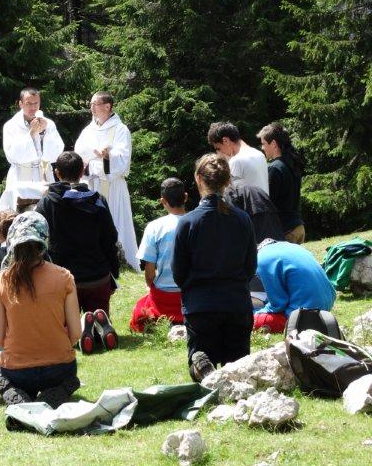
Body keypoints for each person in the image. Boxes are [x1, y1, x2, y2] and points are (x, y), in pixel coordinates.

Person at [172, 154, 257, 382]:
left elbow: (179, 273)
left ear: (199, 179)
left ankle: (203, 369)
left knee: (202, 371)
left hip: (201, 307)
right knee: (238, 374)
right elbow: (250, 267)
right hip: (237, 305)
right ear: (227, 181)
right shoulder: (243, 219)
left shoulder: (188, 222)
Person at [0, 211, 82, 407]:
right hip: (60, 368)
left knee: (1, 373)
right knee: (69, 379)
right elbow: (76, 333)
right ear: (44, 240)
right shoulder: (65, 277)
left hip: (17, 371)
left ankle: (15, 392)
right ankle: (61, 389)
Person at [35, 151, 120, 353]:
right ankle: (96, 327)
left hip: (62, 281)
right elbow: (110, 239)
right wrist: (113, 273)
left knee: (61, 329)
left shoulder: (47, 203)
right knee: (96, 310)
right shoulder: (98, 200)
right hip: (98, 278)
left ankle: (77, 329)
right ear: (83, 171)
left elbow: (39, 243)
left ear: (57, 173)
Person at [74, 91, 138, 270]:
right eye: (91, 104)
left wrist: (108, 156)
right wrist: (87, 162)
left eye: (95, 104)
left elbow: (123, 159)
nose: (91, 108)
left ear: (107, 107)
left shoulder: (120, 129)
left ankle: (121, 259)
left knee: (114, 219)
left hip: (111, 184)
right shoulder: (88, 130)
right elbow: (79, 153)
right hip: (91, 182)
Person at [130, 178, 186, 333]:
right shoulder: (198, 223)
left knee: (140, 310)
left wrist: (151, 287)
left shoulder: (154, 227)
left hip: (163, 297)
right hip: (191, 295)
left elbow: (149, 272)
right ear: (185, 197)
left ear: (163, 201)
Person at [0, 88, 64, 212]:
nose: (33, 108)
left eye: (36, 103)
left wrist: (44, 133)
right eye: (29, 103)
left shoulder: (48, 124)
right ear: (21, 104)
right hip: (21, 176)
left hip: (43, 175)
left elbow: (57, 153)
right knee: (19, 214)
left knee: (46, 213)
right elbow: (12, 155)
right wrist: (32, 133)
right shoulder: (11, 126)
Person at [253, 239, 336, 334]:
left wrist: (258, 312)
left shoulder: (261, 260)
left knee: (250, 320)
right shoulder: (291, 246)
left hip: (303, 315)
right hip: (326, 307)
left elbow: (278, 305)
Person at [257, 122, 305, 244]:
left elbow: (268, 203)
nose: (262, 148)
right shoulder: (292, 163)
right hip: (298, 227)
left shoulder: (274, 168)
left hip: (285, 231)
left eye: (263, 143)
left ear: (273, 144)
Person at [207, 121, 268, 194]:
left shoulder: (236, 161)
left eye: (218, 148)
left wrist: (226, 163)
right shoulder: (259, 154)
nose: (218, 153)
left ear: (225, 141)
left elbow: (229, 195)